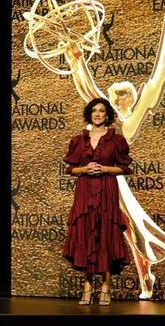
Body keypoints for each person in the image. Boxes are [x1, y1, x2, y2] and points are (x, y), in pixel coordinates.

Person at [62, 98, 133, 306]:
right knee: (85, 233)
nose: (98, 114)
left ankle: (105, 288)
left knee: (105, 235)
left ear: (107, 114)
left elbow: (124, 168)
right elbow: (71, 168)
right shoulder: (78, 140)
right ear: (89, 114)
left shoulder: (116, 140)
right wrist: (84, 169)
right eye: (94, 111)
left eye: (102, 111)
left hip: (106, 190)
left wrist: (104, 169)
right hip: (85, 191)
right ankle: (86, 288)